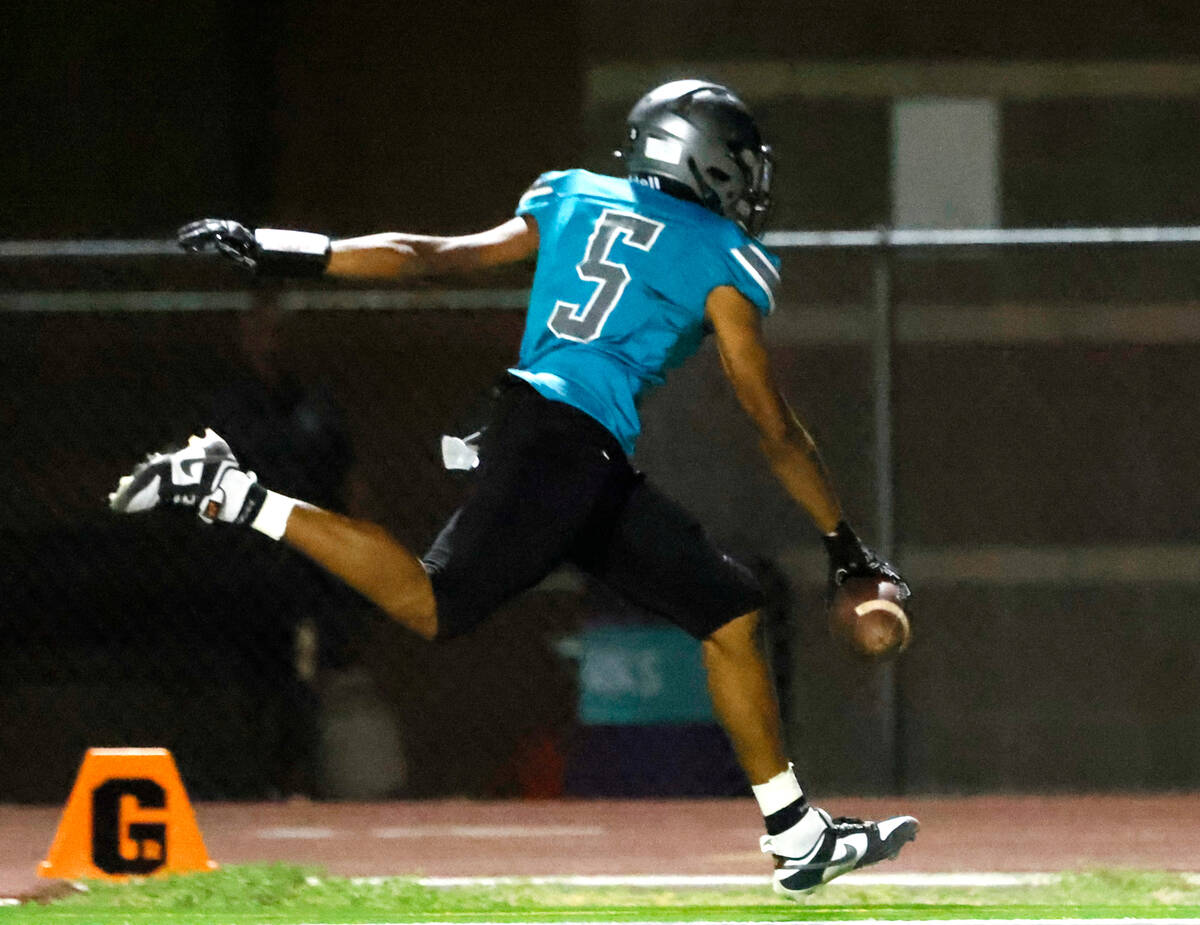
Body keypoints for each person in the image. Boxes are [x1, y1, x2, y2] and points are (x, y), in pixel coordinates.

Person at [110, 79, 916, 896]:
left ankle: (797, 833)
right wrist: (843, 541)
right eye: (740, 164)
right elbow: (771, 423)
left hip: (574, 448)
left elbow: (429, 254)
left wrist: (281, 246)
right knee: (433, 603)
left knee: (731, 610)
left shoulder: (573, 195)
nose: (749, 183)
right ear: (703, 158)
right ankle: (227, 488)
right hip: (562, 444)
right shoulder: (719, 254)